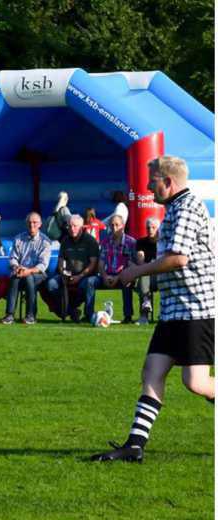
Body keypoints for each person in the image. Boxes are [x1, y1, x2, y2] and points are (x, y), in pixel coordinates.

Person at [91, 155, 215, 463]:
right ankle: (134, 446)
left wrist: (137, 271)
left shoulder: (187, 208)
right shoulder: (175, 208)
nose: (148, 187)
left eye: (153, 181)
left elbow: (178, 258)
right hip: (175, 310)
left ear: (168, 182)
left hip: (196, 309)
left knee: (196, 382)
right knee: (152, 371)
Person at [45, 215, 100, 322]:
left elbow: (93, 264)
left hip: (85, 276)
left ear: (82, 227)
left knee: (88, 283)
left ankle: (88, 315)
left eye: (75, 226)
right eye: (70, 226)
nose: (72, 229)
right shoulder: (65, 241)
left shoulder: (90, 241)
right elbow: (60, 261)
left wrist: (79, 276)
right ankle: (72, 311)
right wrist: (63, 273)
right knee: (51, 284)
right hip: (68, 275)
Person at [1, 212, 52, 324]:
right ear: (26, 224)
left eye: (35, 222)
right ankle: (9, 315)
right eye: (29, 222)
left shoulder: (45, 241)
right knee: (14, 277)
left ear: (40, 224)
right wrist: (16, 267)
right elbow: (12, 258)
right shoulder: (18, 239)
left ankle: (31, 315)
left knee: (29, 278)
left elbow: (43, 265)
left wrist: (28, 271)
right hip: (21, 271)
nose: (32, 225)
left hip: (38, 274)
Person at [97, 214, 137, 324]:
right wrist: (105, 276)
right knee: (90, 282)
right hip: (107, 275)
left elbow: (131, 265)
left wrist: (118, 276)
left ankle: (128, 316)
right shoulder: (105, 242)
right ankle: (88, 314)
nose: (114, 228)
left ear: (123, 226)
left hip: (122, 275)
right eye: (112, 225)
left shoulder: (131, 242)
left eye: (117, 225)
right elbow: (100, 263)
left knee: (127, 282)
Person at [134, 217, 160, 325]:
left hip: (161, 276)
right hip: (148, 275)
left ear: (158, 229)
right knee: (144, 275)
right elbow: (141, 262)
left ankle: (146, 308)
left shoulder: (163, 242)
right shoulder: (140, 242)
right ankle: (145, 306)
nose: (150, 230)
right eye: (148, 228)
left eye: (153, 228)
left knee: (144, 274)